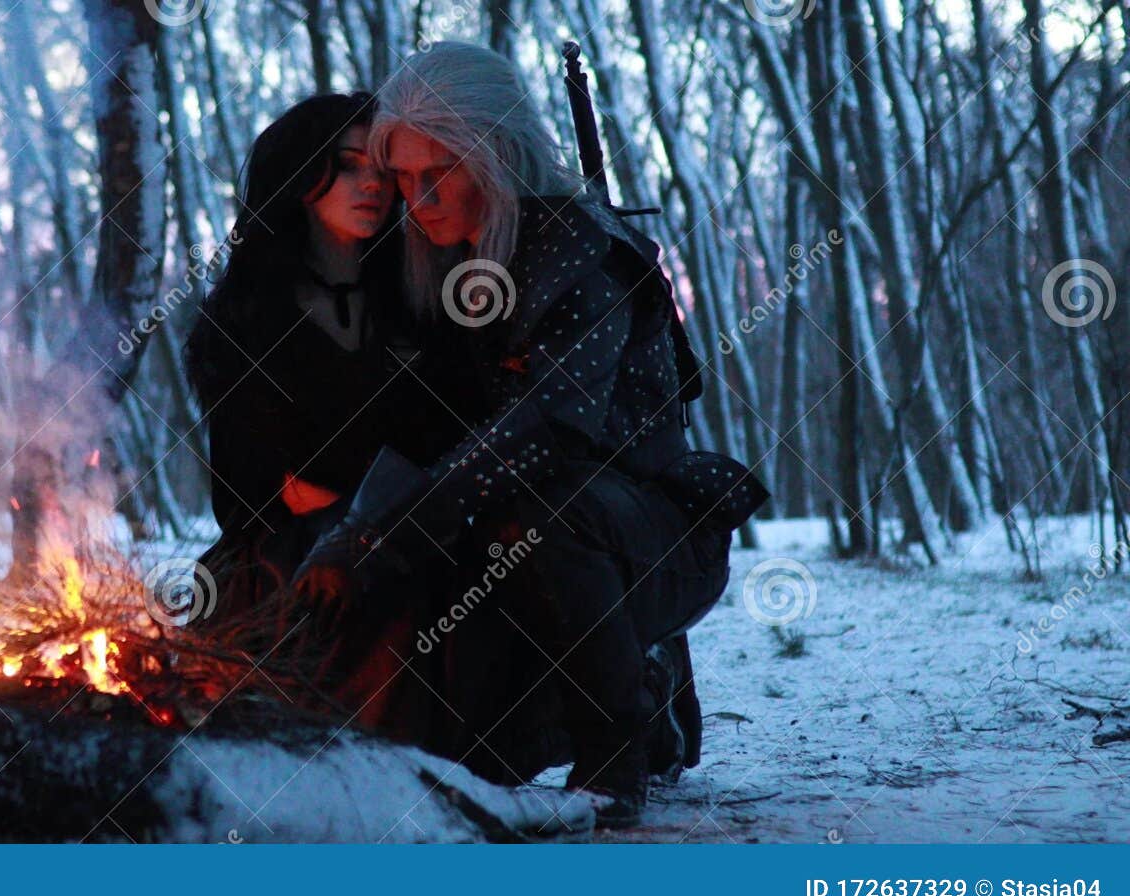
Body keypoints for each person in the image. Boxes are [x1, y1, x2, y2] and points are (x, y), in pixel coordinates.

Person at [291, 42, 769, 827]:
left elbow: (545, 430)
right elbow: (429, 429)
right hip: (521, 548)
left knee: (537, 510)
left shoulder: (582, 253)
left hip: (638, 538)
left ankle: (617, 751)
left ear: (498, 154)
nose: (419, 198)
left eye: (439, 171)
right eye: (405, 178)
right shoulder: (453, 264)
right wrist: (345, 542)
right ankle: (625, 703)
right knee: (454, 752)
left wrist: (378, 537)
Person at [183, 91, 454, 711]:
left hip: (411, 538)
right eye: (351, 164)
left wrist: (361, 491)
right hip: (281, 559)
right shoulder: (244, 317)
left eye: (383, 170)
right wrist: (364, 488)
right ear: (303, 174)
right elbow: (250, 490)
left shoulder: (419, 301)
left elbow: (441, 441)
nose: (373, 185)